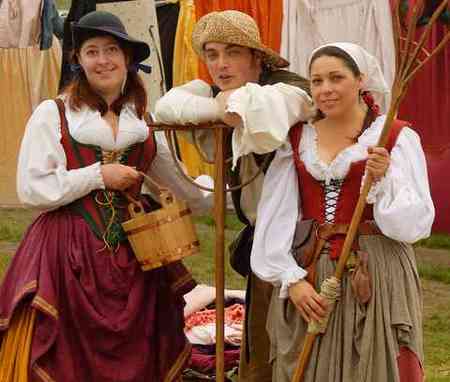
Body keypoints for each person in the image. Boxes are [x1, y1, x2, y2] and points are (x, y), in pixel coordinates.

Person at [0, 11, 211, 382]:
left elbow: (178, 187)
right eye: (92, 51)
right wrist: (98, 175)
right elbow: (33, 188)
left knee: (139, 348)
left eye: (111, 50)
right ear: (78, 61)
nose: (103, 60)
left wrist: (224, 190)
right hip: (68, 253)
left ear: (128, 59)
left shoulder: (142, 120)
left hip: (137, 253)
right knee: (68, 353)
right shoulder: (55, 113)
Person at [250, 42, 435, 382]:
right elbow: (275, 218)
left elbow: (414, 224)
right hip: (313, 272)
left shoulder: (394, 137)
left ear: (360, 79)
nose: (325, 89)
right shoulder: (297, 139)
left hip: (378, 270)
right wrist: (291, 280)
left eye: (336, 78)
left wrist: (384, 178)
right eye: (317, 81)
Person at [155, 10, 313, 381]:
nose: (220, 64)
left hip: (306, 243)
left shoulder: (289, 89)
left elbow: (254, 108)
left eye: (232, 53)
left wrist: (227, 108)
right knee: (262, 350)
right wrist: (217, 108)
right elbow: (166, 106)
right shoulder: (221, 93)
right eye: (212, 54)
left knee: (299, 348)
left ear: (256, 57)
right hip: (263, 243)